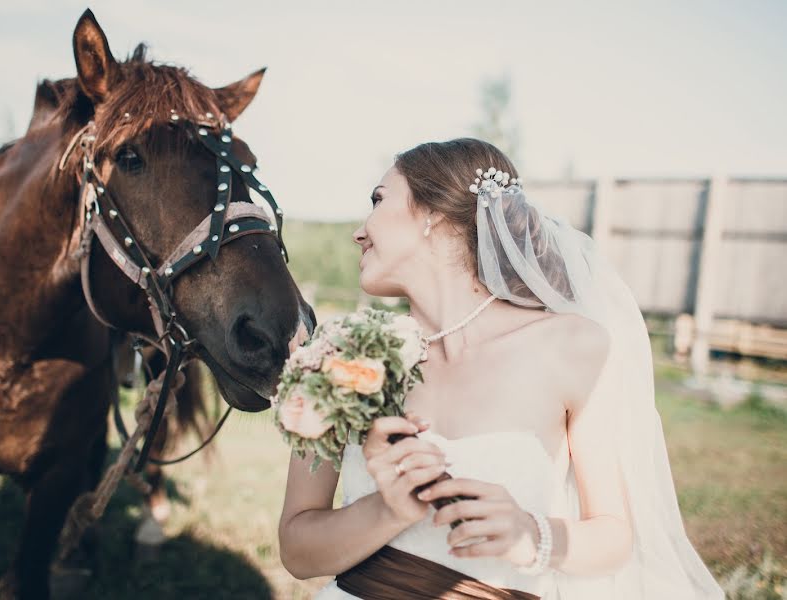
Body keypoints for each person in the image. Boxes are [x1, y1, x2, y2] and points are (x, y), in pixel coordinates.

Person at [278, 138, 724, 599]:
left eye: (378, 199)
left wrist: (532, 536)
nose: (359, 231)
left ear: (432, 214)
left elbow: (613, 534)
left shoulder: (571, 346)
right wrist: (387, 510)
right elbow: (297, 550)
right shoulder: (341, 356)